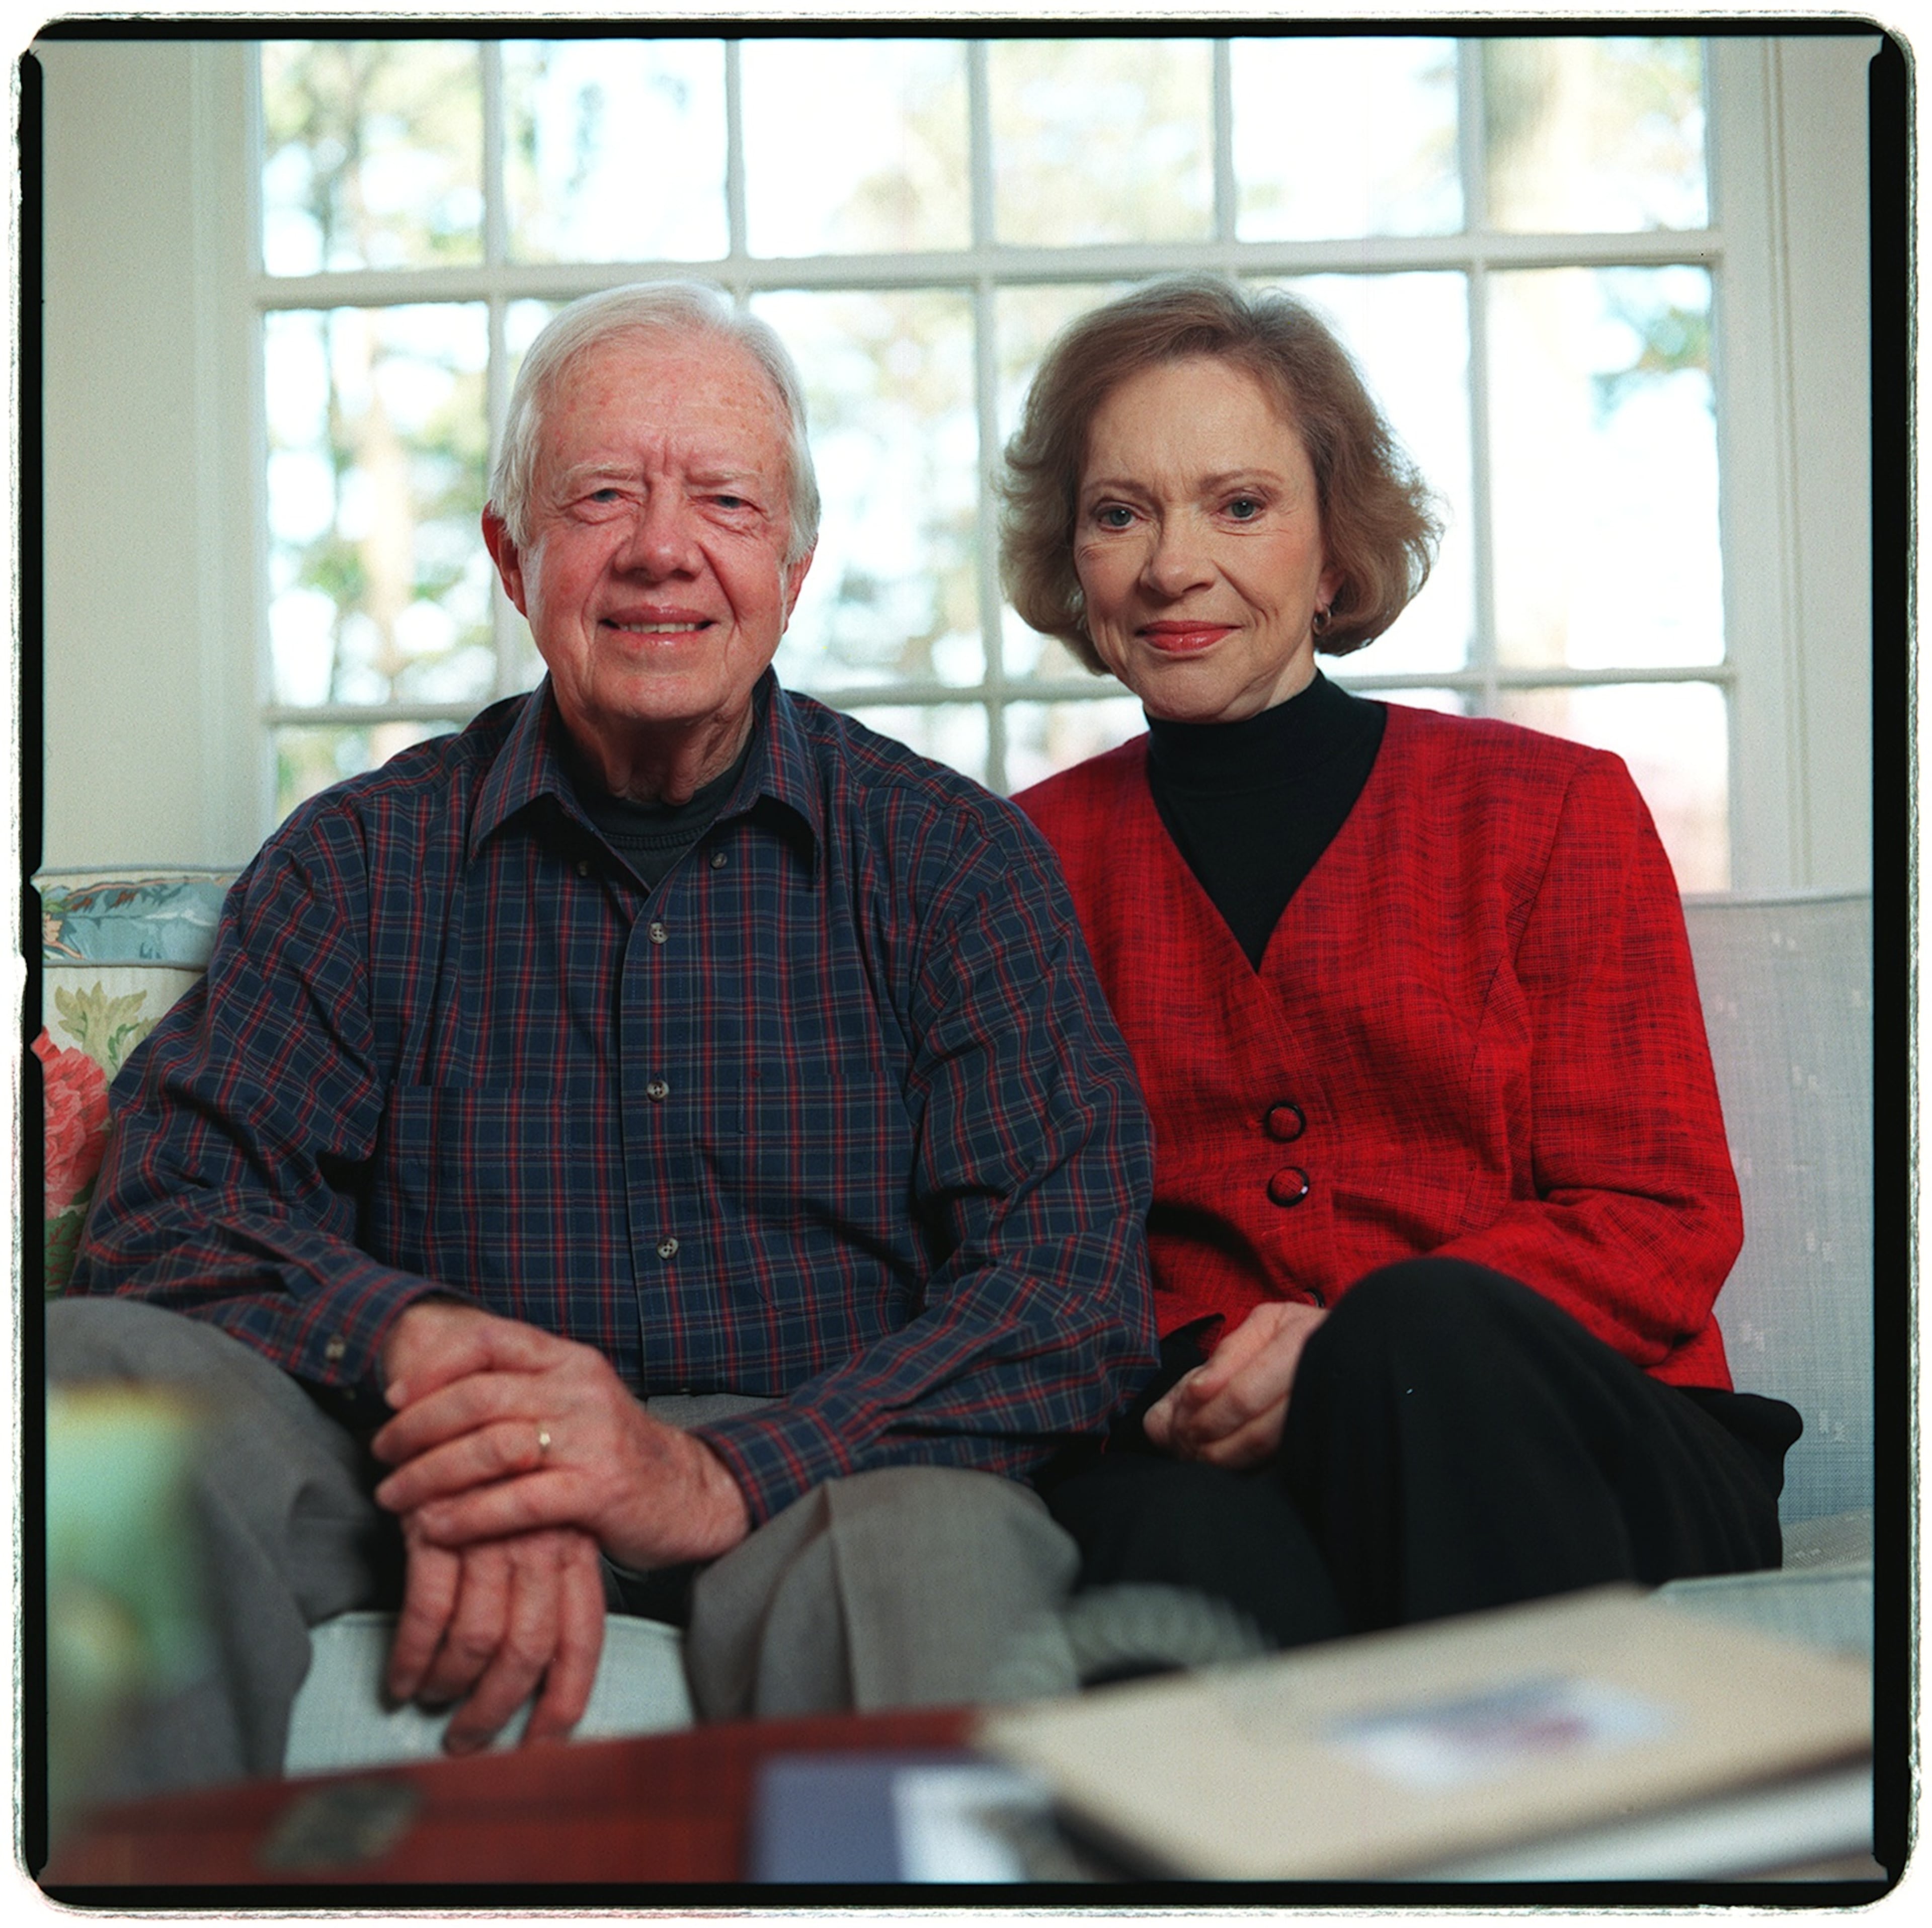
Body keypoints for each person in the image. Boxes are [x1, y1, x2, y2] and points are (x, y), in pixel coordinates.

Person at [52, 280, 1156, 1794]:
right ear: (515, 556)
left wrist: (701, 1472)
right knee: (90, 1378)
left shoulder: (953, 865)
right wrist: (434, 1364)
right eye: (599, 497)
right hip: (400, 1444)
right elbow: (175, 1212)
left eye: (722, 497)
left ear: (793, 558)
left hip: (823, 1471)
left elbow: (1066, 1291)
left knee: (936, 1553)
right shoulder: (356, 862)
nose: (660, 546)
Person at [1000, 274, 1800, 1651]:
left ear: (1332, 553)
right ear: (1076, 561)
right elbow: (1016, 1254)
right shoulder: (1017, 865)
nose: (1173, 563)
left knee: (1423, 1336)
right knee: (1155, 1542)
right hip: (1208, 1441)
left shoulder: (1555, 808)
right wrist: (1209, 1366)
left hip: (1583, 1435)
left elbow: (1661, 1215)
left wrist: (1350, 1341)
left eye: (1240, 505)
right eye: (1121, 511)